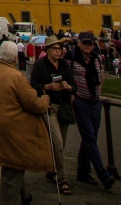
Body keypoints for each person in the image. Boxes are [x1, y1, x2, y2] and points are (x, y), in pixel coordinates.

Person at [0, 40, 52, 205]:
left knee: (11, 163)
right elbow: (33, 104)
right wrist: (45, 100)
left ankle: (24, 195)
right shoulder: (17, 76)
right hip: (12, 130)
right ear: (15, 58)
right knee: (13, 167)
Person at [68, 32, 115, 190]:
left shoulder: (96, 57)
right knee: (89, 137)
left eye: (90, 43)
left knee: (91, 137)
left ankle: (83, 171)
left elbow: (101, 75)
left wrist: (99, 90)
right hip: (80, 101)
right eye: (85, 43)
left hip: (95, 102)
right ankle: (102, 174)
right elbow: (66, 77)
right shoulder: (71, 57)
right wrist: (72, 95)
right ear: (79, 43)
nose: (88, 46)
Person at [29, 36, 74, 195]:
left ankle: (51, 169)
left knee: (61, 143)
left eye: (59, 49)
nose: (58, 51)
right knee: (58, 143)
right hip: (50, 107)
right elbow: (33, 84)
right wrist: (47, 86)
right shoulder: (40, 65)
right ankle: (63, 179)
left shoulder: (64, 65)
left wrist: (69, 86)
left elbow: (72, 83)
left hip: (64, 108)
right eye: (55, 49)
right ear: (47, 50)